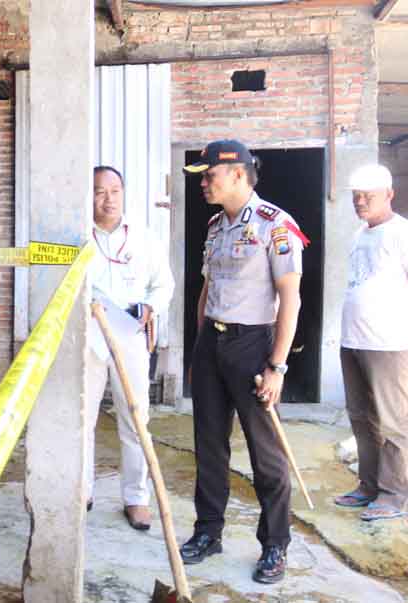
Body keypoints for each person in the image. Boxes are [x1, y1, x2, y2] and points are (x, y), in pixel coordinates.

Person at [179, 140, 307, 584]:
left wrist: (277, 367)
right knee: (209, 445)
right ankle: (208, 532)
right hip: (211, 345)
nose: (203, 182)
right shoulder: (216, 225)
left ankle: (275, 545)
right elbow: (207, 289)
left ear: (237, 174)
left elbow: (290, 299)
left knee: (266, 454)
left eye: (209, 174)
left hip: (253, 346)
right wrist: (198, 349)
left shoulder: (276, 225)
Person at [85, 165, 174, 531]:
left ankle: (136, 498)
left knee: (136, 420)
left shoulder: (143, 238)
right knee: (81, 420)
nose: (108, 199)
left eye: (115, 191)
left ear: (124, 193)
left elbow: (163, 285)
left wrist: (150, 308)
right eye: (99, 192)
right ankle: (81, 491)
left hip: (130, 337)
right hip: (87, 339)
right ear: (88, 195)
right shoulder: (77, 236)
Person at [334, 164, 408, 521]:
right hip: (354, 340)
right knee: (362, 418)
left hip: (389, 344)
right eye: (356, 196)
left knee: (394, 422)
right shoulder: (359, 234)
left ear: (389, 195)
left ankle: (393, 494)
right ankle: (368, 486)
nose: (360, 202)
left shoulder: (401, 234)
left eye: (369, 196)